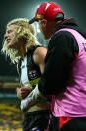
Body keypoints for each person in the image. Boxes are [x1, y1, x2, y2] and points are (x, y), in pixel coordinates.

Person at [28, 1, 86, 131]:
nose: (38, 28)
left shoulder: (62, 36)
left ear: (44, 23)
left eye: (38, 23)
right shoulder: (80, 36)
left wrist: (38, 90)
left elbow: (52, 82)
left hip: (70, 114)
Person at [1, 18, 59, 131]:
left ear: (23, 32)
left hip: (45, 117)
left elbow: (53, 87)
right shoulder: (20, 63)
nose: (5, 36)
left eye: (10, 31)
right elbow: (25, 88)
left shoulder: (40, 53)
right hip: (28, 118)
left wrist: (30, 95)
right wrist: (19, 93)